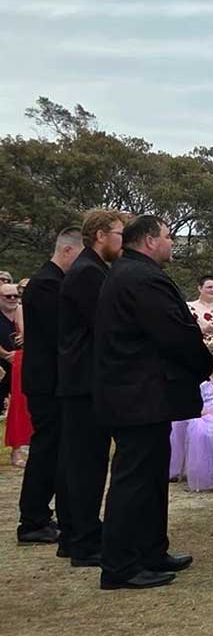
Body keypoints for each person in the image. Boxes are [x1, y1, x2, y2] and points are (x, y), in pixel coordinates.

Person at [94, 215, 213, 589]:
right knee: (134, 478)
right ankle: (121, 565)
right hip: (138, 395)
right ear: (149, 240)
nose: (171, 243)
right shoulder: (141, 278)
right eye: (167, 236)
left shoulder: (130, 273)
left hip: (142, 394)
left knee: (150, 477)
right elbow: (174, 332)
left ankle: (150, 550)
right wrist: (203, 362)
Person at [58, 208, 126, 566]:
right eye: (119, 233)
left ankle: (78, 534)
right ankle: (82, 540)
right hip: (83, 382)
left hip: (84, 380)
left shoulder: (94, 269)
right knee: (86, 464)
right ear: (100, 235)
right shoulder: (88, 272)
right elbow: (107, 323)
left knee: (85, 461)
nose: (123, 241)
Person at [16, 227, 82, 546]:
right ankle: (33, 519)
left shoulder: (52, 281)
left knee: (54, 449)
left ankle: (41, 514)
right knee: (46, 449)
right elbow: (61, 332)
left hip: (52, 379)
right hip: (47, 381)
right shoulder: (46, 284)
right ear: (67, 250)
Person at [169, 341, 213, 492]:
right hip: (202, 413)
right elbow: (191, 400)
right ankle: (204, 474)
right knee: (203, 430)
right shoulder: (200, 380)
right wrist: (204, 411)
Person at [1, 283, 31, 466]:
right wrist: (5, 355)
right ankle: (17, 449)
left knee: (24, 404)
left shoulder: (21, 310)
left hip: (22, 359)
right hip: (10, 360)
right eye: (8, 296)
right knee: (16, 405)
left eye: (16, 295)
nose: (13, 299)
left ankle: (22, 448)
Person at [187, 275, 213, 346]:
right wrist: (204, 330)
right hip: (198, 347)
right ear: (200, 288)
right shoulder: (189, 307)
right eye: (209, 287)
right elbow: (183, 331)